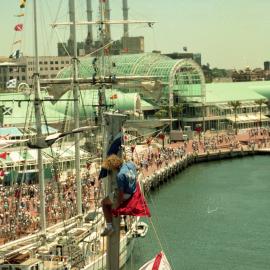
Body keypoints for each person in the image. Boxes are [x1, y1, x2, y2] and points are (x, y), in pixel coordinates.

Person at [100, 154, 137, 236]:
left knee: (104, 203)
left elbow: (121, 193)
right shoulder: (130, 165)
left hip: (125, 195)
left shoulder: (120, 175)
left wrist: (118, 205)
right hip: (132, 192)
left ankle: (109, 227)